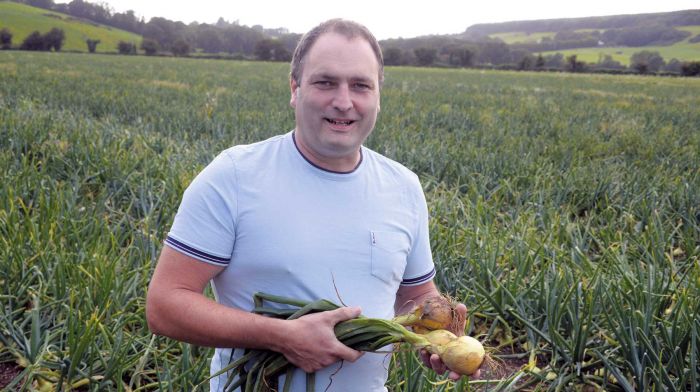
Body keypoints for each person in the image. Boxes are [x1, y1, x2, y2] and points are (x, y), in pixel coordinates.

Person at [145, 18, 478, 391]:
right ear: (295, 88)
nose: (343, 101)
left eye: (360, 85)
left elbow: (415, 295)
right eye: (325, 82)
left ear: (378, 96)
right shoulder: (235, 176)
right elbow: (165, 304)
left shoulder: (403, 186)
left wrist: (431, 330)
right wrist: (280, 335)